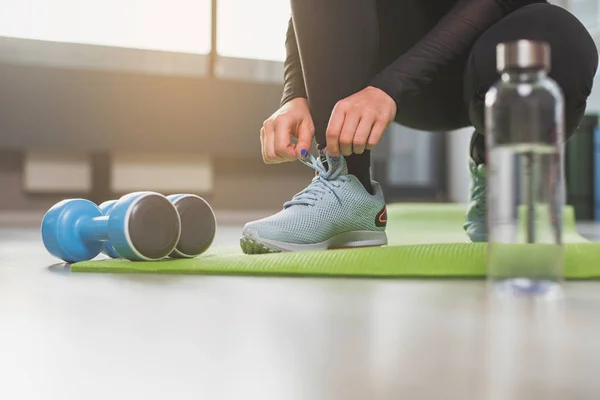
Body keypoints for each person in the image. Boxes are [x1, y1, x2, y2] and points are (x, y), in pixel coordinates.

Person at [240, 0, 598, 254]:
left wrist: (390, 86)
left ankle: (495, 167)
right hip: (376, 68)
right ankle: (349, 189)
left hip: (479, 64)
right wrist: (296, 92)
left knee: (558, 36)